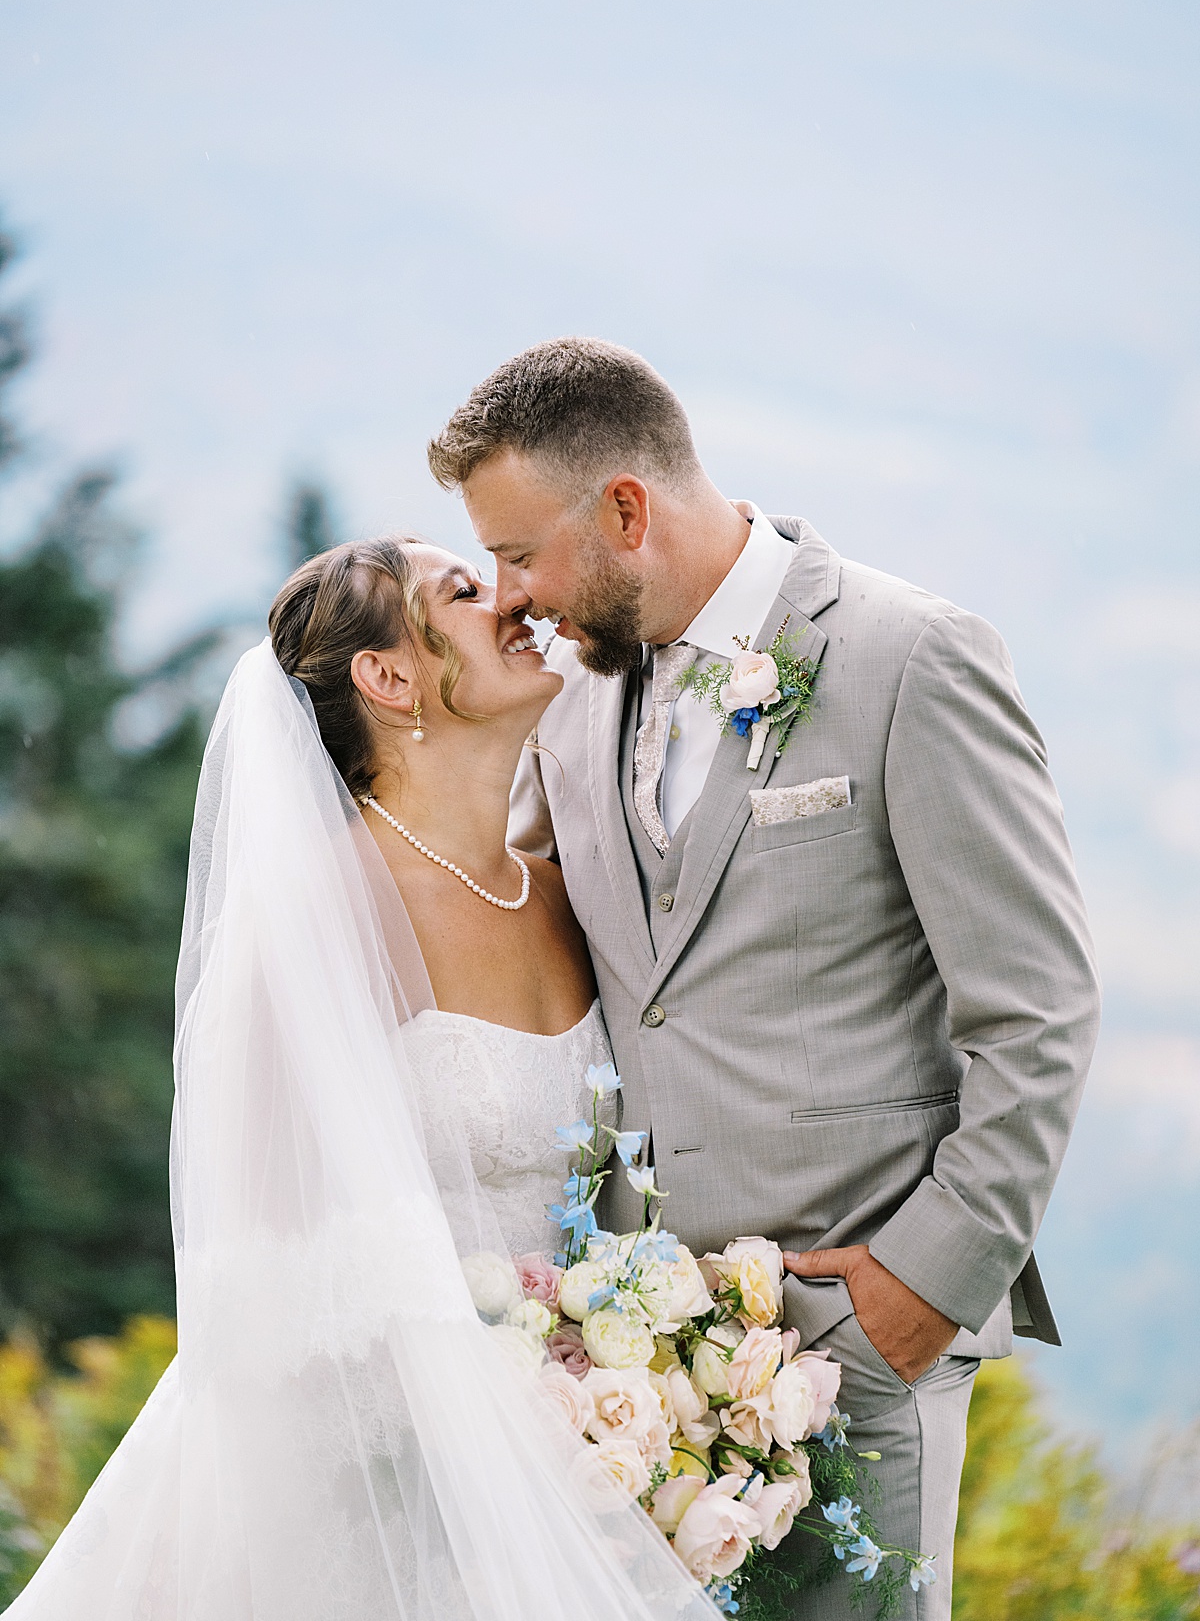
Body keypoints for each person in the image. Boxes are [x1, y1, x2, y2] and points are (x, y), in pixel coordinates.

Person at [428, 336, 1103, 1619]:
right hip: (631, 1377)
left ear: (626, 509)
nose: (511, 597)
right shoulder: (571, 706)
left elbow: (1041, 1008)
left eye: (520, 555)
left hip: (861, 1348)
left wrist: (927, 1285)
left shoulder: (914, 658)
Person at [6, 535, 716, 1621]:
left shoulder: (568, 896)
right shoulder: (310, 919)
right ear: (387, 678)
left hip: (568, 1471)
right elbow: (266, 1287)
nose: (517, 603)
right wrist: (490, 1455)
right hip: (363, 1500)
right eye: (467, 594)